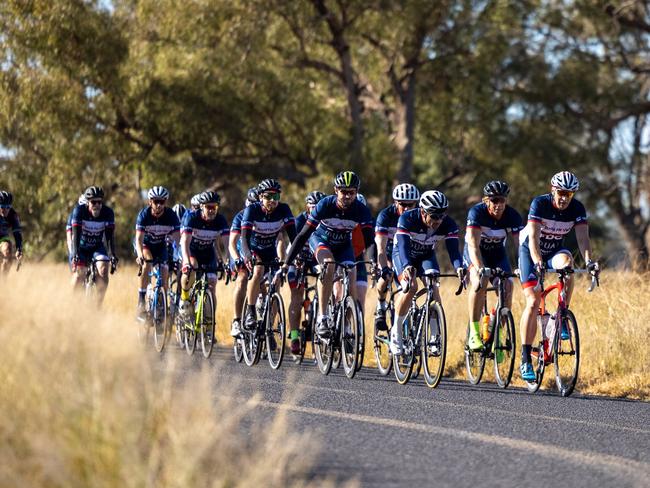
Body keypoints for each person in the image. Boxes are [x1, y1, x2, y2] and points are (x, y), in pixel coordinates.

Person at [517, 171, 598, 382]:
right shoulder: (540, 204)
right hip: (530, 251)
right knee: (533, 301)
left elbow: (583, 239)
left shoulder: (577, 209)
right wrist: (537, 262)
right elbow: (533, 238)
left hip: (554, 251)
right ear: (553, 190)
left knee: (568, 267)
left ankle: (562, 315)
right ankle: (525, 358)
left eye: (569, 194)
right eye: (561, 192)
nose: (564, 198)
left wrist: (589, 262)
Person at [282, 171, 374, 338]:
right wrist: (287, 263)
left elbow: (369, 239)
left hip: (343, 245)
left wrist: (372, 262)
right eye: (343, 192)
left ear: (356, 192)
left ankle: (345, 324)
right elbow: (303, 235)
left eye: (351, 192)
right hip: (320, 240)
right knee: (329, 264)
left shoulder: (361, 210)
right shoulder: (325, 205)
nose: (347, 196)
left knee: (351, 273)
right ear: (335, 190)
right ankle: (322, 317)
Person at [390, 190, 464, 355]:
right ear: (423, 212)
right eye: (434, 216)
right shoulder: (407, 219)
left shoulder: (448, 224)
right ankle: (397, 331)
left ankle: (433, 336)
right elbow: (402, 247)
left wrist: (459, 267)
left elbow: (453, 251)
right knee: (411, 287)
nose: (438, 220)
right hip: (403, 255)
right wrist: (408, 265)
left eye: (441, 216)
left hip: (426, 255)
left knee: (434, 287)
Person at [464, 180, 523, 350]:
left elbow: (521, 246)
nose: (498, 204)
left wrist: (522, 265)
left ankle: (498, 334)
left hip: (497, 254)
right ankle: (474, 334)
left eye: (502, 200)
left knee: (508, 286)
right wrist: (480, 268)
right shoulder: (477, 213)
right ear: (486, 200)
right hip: (476, 254)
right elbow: (473, 245)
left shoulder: (512, 216)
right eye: (494, 200)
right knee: (479, 282)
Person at [240, 179, 296, 331]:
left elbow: (294, 237)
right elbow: (244, 237)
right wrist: (247, 255)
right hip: (253, 248)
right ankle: (250, 312)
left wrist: (293, 258)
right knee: (258, 271)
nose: (272, 201)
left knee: (275, 283)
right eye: (268, 197)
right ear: (260, 198)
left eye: (276, 197)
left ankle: (269, 326)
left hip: (270, 251)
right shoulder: (252, 210)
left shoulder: (284, 209)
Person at [179, 191, 230, 330]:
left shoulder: (220, 220)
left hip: (208, 253)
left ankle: (208, 324)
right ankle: (184, 298)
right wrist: (186, 263)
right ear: (202, 207)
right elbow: (184, 242)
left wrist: (228, 263)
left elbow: (227, 244)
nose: (212, 210)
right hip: (191, 251)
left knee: (212, 285)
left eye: (214, 207)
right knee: (192, 267)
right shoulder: (192, 218)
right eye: (208, 207)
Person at [373, 183, 420, 331]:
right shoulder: (385, 216)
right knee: (386, 276)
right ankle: (381, 305)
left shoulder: (418, 216)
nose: (406, 208)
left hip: (405, 253)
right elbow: (380, 247)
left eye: (410, 205)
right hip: (386, 251)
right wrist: (384, 268)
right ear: (395, 202)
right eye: (402, 205)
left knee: (406, 287)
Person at [286, 190, 326, 354]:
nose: (315, 211)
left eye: (318, 208)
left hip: (316, 258)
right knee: (297, 294)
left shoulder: (326, 221)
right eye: (312, 208)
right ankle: (295, 336)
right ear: (307, 208)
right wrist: (294, 260)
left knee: (326, 283)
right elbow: (293, 243)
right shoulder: (300, 220)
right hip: (298, 258)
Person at [134, 186, 181, 320]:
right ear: (150, 202)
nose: (159, 205)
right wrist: (139, 255)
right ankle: (141, 300)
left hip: (160, 245)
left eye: (162, 202)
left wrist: (181, 256)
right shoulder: (144, 215)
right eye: (156, 202)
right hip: (145, 244)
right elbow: (138, 239)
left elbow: (178, 240)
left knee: (165, 274)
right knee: (147, 262)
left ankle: (161, 307)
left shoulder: (171, 216)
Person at [70, 186, 118, 306]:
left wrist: (112, 255)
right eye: (93, 202)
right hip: (80, 246)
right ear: (87, 203)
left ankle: (98, 305)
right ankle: (72, 304)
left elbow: (109, 238)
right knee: (79, 275)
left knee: (103, 269)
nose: (97, 205)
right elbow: (75, 236)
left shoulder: (108, 213)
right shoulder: (79, 211)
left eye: (99, 202)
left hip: (97, 247)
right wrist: (75, 253)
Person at [228, 186, 259, 337]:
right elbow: (232, 243)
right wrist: (236, 259)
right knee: (242, 280)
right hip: (241, 253)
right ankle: (236, 320)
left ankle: (267, 328)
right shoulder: (240, 217)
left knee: (266, 286)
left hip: (258, 254)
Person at [0, 191, 23, 275]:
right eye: (2, 207)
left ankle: (3, 281)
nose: (5, 210)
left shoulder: (13, 215)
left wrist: (19, 249)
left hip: (2, 238)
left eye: (8, 207)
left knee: (8, 249)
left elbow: (17, 233)